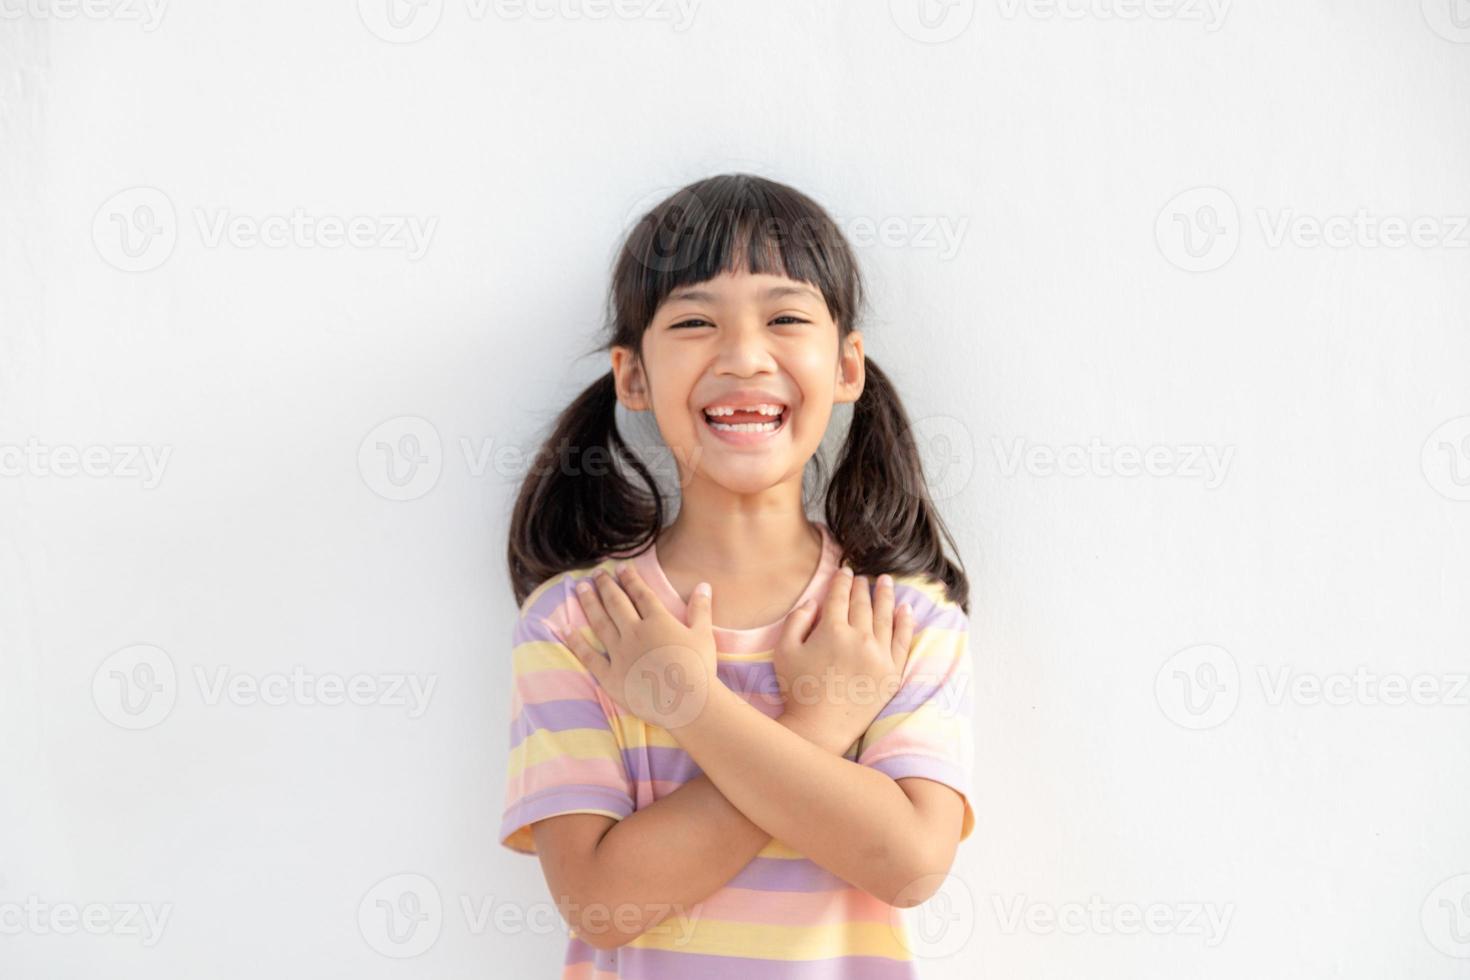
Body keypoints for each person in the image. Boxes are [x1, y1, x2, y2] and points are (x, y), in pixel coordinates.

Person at [500, 173, 975, 978]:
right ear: (634, 377)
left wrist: (691, 706)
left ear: (847, 365)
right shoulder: (582, 625)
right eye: (693, 321)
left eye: (785, 317)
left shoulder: (898, 622)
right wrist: (820, 723)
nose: (744, 356)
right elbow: (600, 902)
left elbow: (910, 864)